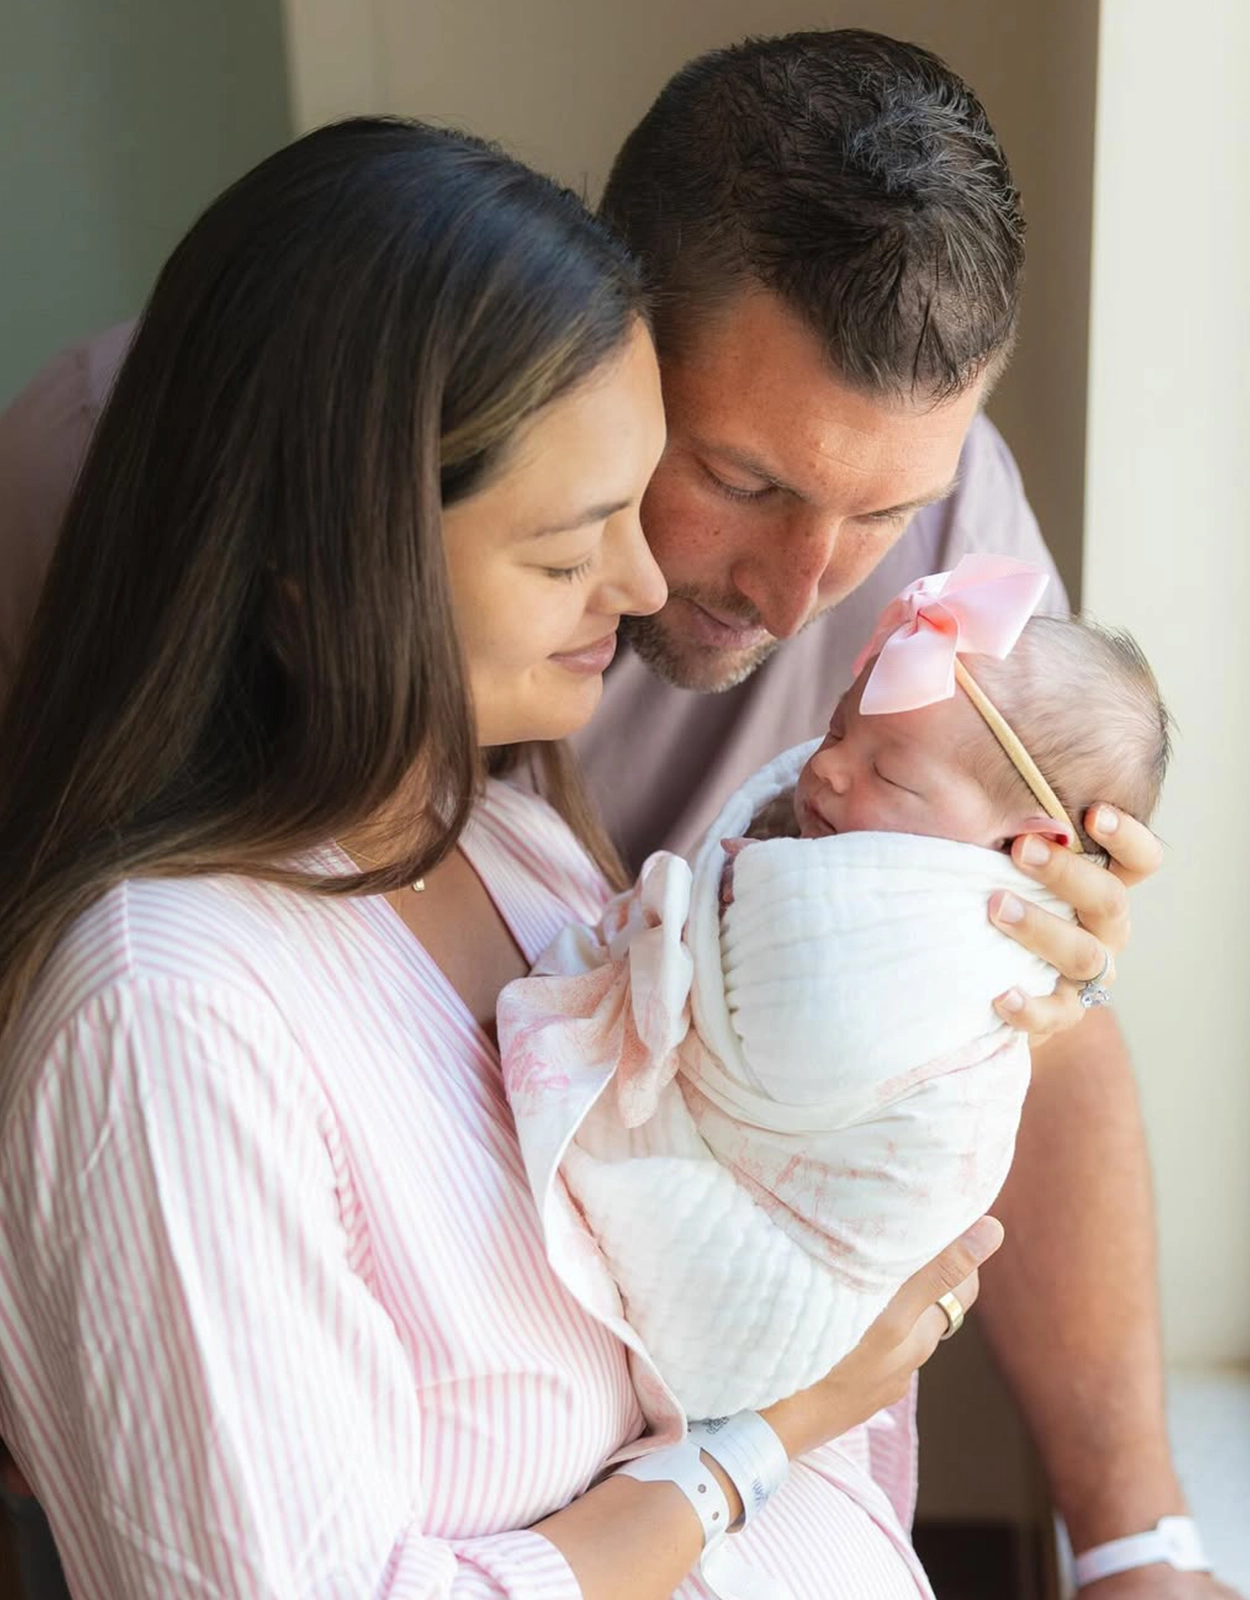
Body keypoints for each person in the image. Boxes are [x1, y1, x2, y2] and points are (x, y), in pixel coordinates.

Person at [0, 27, 1234, 1600]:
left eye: (881, 517)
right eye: (735, 479)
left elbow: (1018, 1023)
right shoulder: (173, 977)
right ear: (612, 329)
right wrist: (758, 1441)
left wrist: (1135, 1544)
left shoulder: (516, 836)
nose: (806, 597)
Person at [497, 557, 1172, 1432]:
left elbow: (814, 1024)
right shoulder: (922, 747)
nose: (827, 773)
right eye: (834, 731)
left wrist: (726, 920)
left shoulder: (943, 936)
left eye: (889, 778)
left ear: (1027, 846)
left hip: (788, 1251)